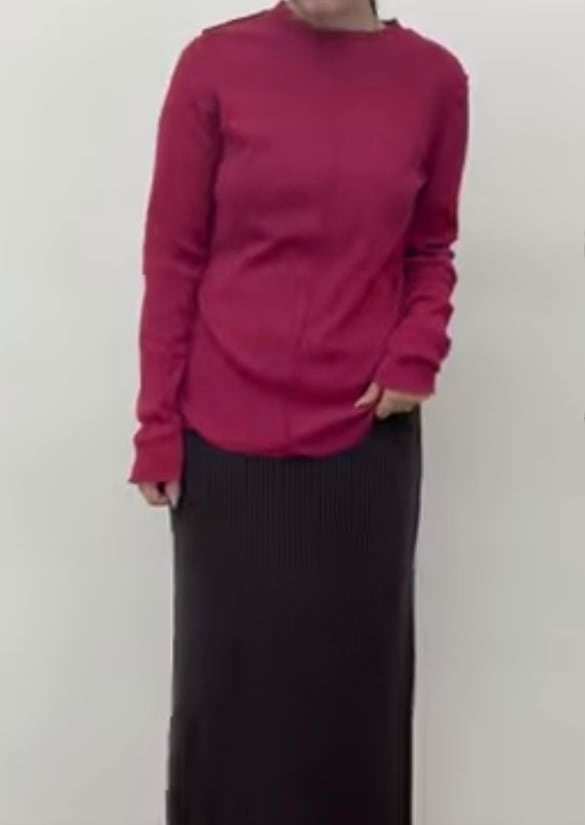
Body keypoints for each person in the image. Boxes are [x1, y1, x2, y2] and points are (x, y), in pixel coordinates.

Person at [130, 0, 469, 822]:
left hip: (364, 441)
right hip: (223, 439)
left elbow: (429, 248)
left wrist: (415, 351)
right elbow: (173, 258)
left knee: (351, 699)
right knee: (228, 699)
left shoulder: (433, 81)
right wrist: (156, 426)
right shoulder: (214, 64)